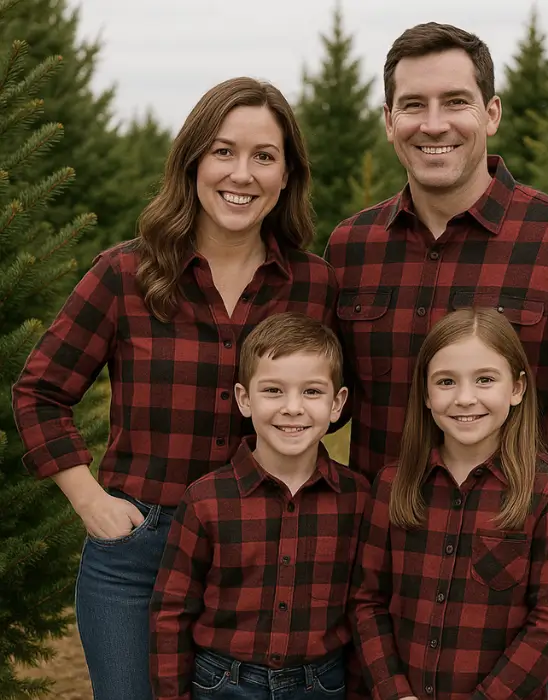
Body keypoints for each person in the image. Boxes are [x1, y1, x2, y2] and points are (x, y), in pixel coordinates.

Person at [324, 23, 548, 699]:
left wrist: (532, 551)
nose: (433, 124)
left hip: (508, 620)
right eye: (413, 105)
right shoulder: (352, 247)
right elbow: (319, 402)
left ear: (491, 113)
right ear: (389, 120)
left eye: (456, 101)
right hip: (379, 609)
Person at [12, 78, 341, 700]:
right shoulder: (125, 274)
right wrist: (89, 500)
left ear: (286, 174)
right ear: (191, 161)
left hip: (266, 554)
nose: (241, 173)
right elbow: (39, 392)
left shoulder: (313, 285)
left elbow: (332, 405)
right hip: (140, 556)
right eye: (223, 151)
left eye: (264, 156)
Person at [350, 308, 548, 700]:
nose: (464, 398)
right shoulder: (393, 485)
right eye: (446, 381)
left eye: (485, 380)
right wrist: (394, 692)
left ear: (517, 388)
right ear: (425, 394)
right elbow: (367, 602)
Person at [150, 312, 369, 700]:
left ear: (337, 404)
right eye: (273, 391)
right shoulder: (206, 500)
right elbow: (171, 613)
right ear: (244, 399)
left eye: (312, 392)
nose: (292, 408)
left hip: (321, 683)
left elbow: (362, 607)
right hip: (223, 682)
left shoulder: (357, 499)